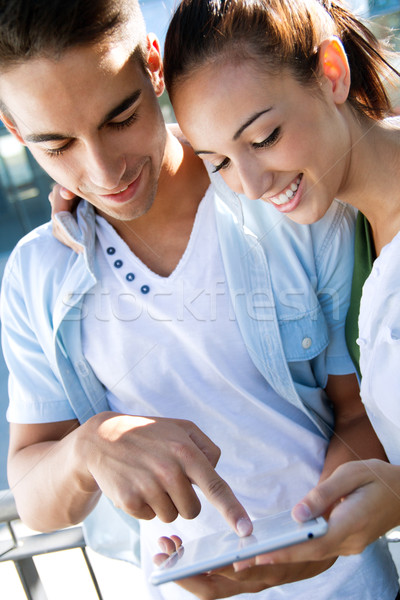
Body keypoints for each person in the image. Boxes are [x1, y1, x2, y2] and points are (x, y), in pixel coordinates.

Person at [0, 0, 397, 599]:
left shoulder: (293, 194)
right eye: (57, 146)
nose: (104, 172)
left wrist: (317, 536)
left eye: (120, 118)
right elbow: (35, 497)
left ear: (152, 68)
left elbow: (360, 413)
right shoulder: (37, 272)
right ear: (14, 130)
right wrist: (89, 447)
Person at [158, 0, 400, 578]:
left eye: (265, 138)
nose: (251, 184)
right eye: (218, 162)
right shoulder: (353, 233)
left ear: (333, 74)